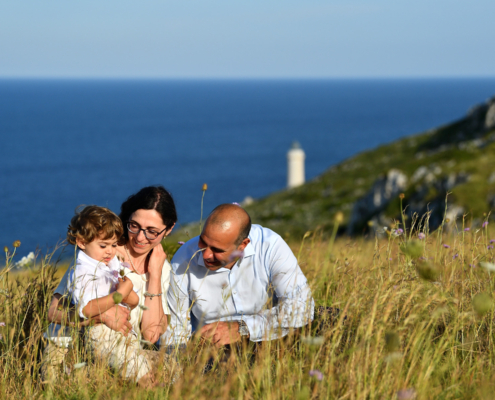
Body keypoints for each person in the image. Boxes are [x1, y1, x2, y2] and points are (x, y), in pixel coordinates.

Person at [44, 186, 178, 386]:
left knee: (174, 369)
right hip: (72, 349)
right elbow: (53, 312)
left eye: (152, 232)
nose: (141, 237)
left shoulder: (161, 268)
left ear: (169, 230)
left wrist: (155, 275)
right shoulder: (100, 252)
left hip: (121, 348)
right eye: (134, 225)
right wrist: (98, 317)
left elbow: (151, 335)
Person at [163, 203, 314, 349]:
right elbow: (174, 332)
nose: (206, 255)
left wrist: (242, 327)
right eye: (202, 242)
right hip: (214, 350)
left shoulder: (269, 245)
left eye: (217, 250)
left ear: (243, 245)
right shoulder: (183, 261)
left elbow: (303, 308)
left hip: (273, 338)